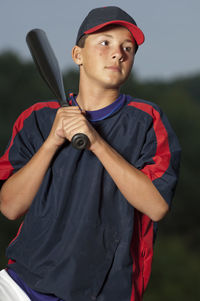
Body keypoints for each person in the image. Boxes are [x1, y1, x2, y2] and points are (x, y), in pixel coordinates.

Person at [0, 6, 181, 301]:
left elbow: (157, 205)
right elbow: (9, 207)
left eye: (128, 48)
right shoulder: (37, 118)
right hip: (22, 284)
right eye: (105, 42)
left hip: (104, 291)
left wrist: (96, 141)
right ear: (77, 55)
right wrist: (51, 142)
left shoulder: (147, 120)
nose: (118, 53)